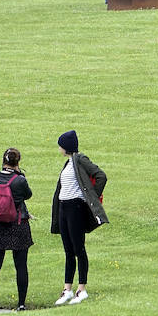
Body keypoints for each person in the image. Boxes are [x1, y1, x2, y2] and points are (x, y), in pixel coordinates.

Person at [51, 130, 108, 305]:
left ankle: (81, 289)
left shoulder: (80, 159)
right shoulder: (68, 163)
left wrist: (90, 195)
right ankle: (67, 289)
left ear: (66, 146)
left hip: (76, 207)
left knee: (79, 249)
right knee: (68, 250)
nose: (59, 148)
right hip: (64, 208)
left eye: (61, 144)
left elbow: (101, 176)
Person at [0, 147, 33, 313]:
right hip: (18, 225)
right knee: (21, 266)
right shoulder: (20, 181)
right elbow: (28, 195)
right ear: (17, 162)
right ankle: (21, 304)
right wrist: (20, 175)